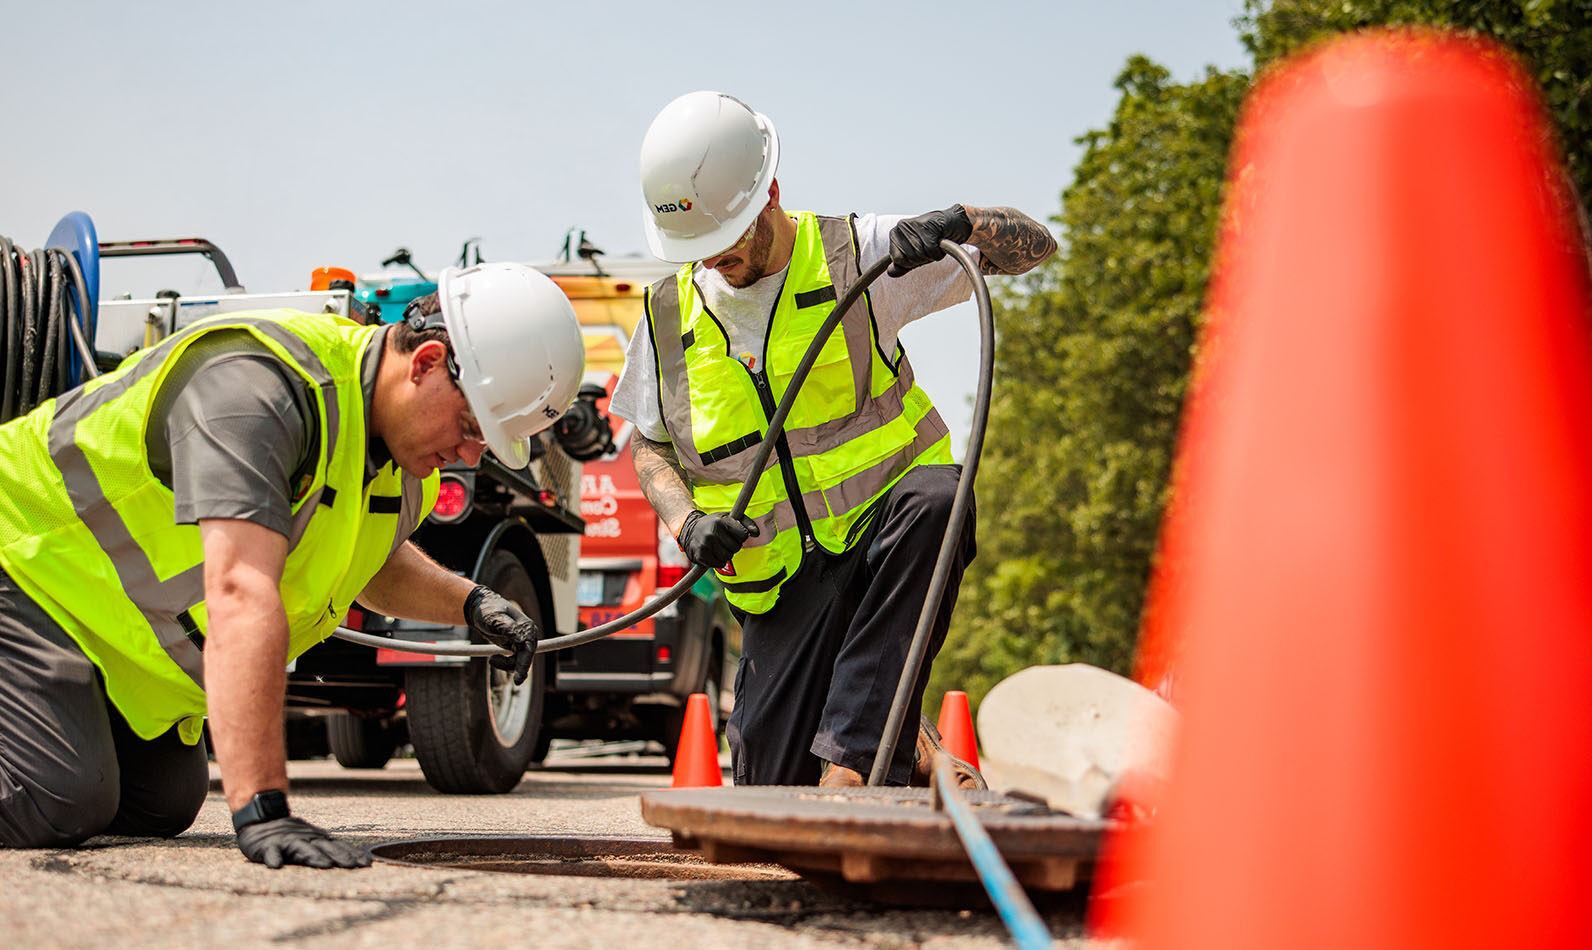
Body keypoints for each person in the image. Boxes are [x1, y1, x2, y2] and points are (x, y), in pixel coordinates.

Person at [0, 262, 586, 868]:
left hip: (97, 623)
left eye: (486, 442)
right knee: (56, 798)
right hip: (23, 561)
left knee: (163, 803)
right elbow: (239, 588)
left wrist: (470, 604)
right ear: (426, 363)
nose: (470, 453)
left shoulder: (402, 462)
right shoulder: (259, 389)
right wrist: (262, 807)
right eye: (471, 426)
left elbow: (370, 562)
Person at [611, 91, 1057, 788]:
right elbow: (648, 444)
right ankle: (907, 738)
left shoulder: (859, 255)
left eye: (722, 241)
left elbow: (1036, 249)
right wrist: (685, 520)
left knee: (941, 498)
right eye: (695, 249)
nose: (711, 263)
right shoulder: (668, 316)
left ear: (770, 197)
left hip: (887, 545)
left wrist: (961, 220)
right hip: (783, 586)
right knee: (769, 793)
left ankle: (851, 766)